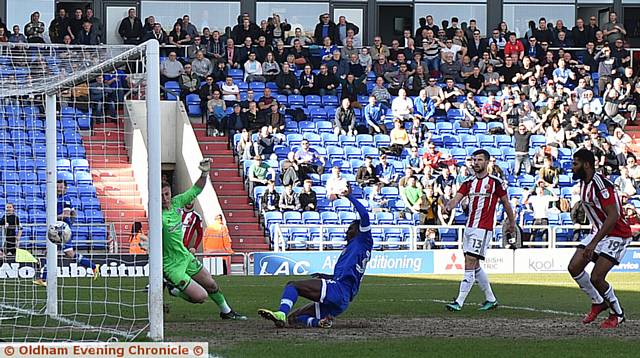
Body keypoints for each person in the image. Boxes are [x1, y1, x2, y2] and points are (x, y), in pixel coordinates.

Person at [258, 184, 371, 328]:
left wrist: (349, 196)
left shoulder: (364, 239)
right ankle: (320, 322)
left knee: (293, 286)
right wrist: (326, 276)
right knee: (294, 319)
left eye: (350, 228)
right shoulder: (354, 249)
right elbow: (348, 277)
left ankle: (281, 313)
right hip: (343, 299)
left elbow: (365, 215)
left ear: (359, 230)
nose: (347, 232)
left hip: (337, 290)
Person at [161, 159, 245, 320]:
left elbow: (196, 190)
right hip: (171, 265)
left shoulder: (177, 202)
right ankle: (175, 290)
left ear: (170, 193)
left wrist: (204, 174)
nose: (165, 198)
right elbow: (154, 236)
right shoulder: (158, 215)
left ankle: (226, 312)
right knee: (200, 297)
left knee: (212, 284)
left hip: (185, 256)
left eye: (167, 194)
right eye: (162, 195)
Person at [443, 149, 515, 311]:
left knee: (470, 261)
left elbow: (506, 203)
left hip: (483, 229)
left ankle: (459, 302)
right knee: (474, 265)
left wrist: (511, 222)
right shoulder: (469, 182)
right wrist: (449, 205)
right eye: (474, 160)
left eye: (480, 160)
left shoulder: (495, 183)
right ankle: (491, 299)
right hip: (469, 227)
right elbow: (457, 198)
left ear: (487, 162)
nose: (476, 163)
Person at [567, 149, 631, 328]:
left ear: (586, 165)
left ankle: (617, 313)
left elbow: (613, 216)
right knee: (574, 267)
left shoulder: (600, 185)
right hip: (599, 231)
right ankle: (598, 301)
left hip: (617, 234)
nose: (572, 167)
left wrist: (593, 243)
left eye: (575, 163)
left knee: (597, 277)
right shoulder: (584, 182)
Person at [34, 181, 100, 286]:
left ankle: (93, 266)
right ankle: (44, 279)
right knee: (54, 253)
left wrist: (53, 217)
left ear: (65, 188)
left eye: (61, 187)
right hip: (58, 229)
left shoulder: (66, 198)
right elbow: (73, 213)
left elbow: (66, 215)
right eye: (57, 187)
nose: (59, 189)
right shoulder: (56, 198)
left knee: (64, 253)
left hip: (63, 230)